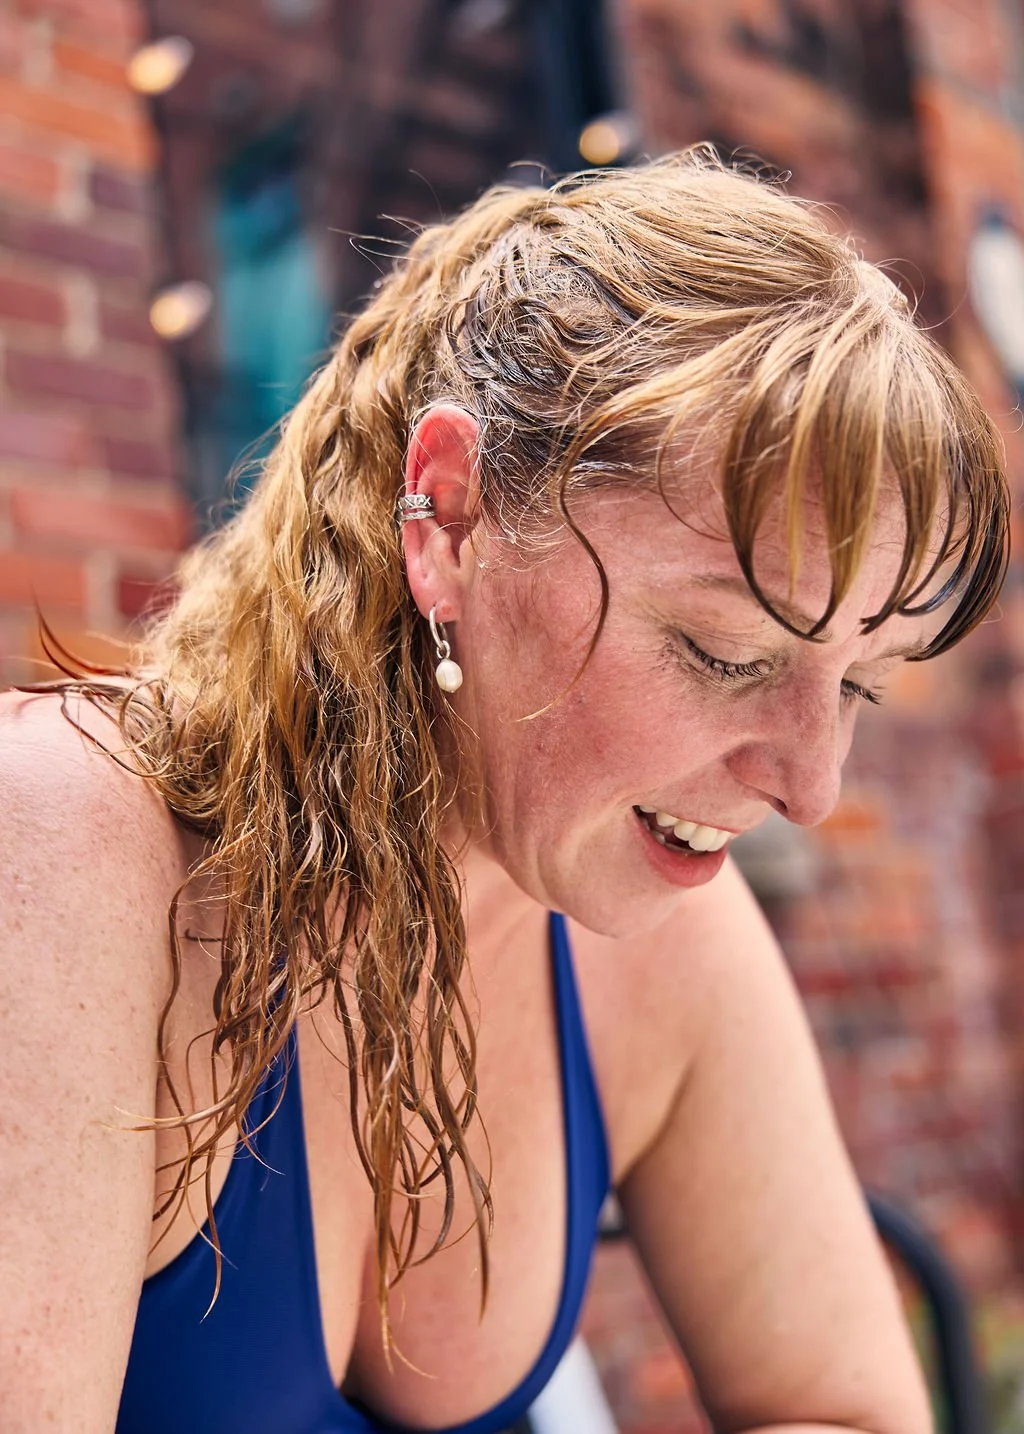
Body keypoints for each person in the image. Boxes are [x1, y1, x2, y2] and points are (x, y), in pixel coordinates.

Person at [0, 148, 1008, 1434]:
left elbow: (847, 1408)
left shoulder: (661, 939)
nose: (812, 786)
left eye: (858, 683)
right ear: (450, 520)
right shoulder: (60, 849)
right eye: (723, 653)